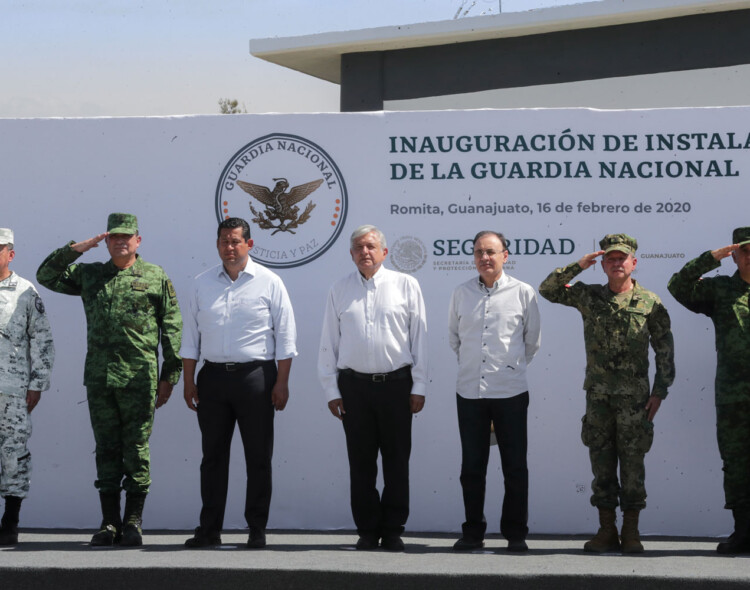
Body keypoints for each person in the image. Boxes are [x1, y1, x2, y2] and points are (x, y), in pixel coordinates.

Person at [36, 213, 182, 547]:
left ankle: (133, 521)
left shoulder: (155, 276)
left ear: (138, 241)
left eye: (126, 236)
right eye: (114, 236)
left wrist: (170, 376)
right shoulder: (91, 275)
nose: (120, 242)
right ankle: (109, 522)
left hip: (140, 378)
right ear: (106, 240)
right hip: (100, 378)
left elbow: (171, 326)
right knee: (106, 450)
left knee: (136, 449)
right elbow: (46, 274)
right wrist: (79, 248)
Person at [539, 234, 674, 553]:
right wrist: (578, 265)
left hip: (635, 400)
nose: (616, 263)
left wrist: (660, 391)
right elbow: (549, 290)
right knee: (601, 464)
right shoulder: (589, 296)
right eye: (610, 259)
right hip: (598, 398)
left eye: (622, 258)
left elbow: (664, 349)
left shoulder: (650, 302)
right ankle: (606, 530)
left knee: (632, 466)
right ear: (602, 264)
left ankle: (631, 532)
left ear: (633, 263)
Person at [181, 217, 297, 549]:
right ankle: (209, 529)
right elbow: (190, 338)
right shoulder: (202, 283)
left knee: (258, 457)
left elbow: (286, 339)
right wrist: (189, 382)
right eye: (223, 242)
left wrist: (282, 383)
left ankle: (257, 528)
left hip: (256, 379)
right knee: (212, 457)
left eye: (235, 241)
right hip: (213, 379)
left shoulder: (270, 282)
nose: (229, 248)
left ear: (249, 244)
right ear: (217, 244)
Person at [318, 225, 427, 551]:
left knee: (397, 463)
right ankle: (367, 530)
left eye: (371, 246)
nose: (365, 252)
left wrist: (419, 384)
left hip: (396, 386)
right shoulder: (339, 289)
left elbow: (420, 338)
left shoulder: (407, 285)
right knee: (361, 464)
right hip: (354, 388)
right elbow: (328, 343)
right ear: (351, 254)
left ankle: (393, 530)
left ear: (384, 252)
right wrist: (331, 390)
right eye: (358, 247)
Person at [448, 231, 541, 553]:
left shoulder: (523, 293)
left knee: (515, 467)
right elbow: (454, 339)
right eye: (478, 252)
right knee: (472, 468)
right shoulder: (461, 293)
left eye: (490, 251)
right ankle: (473, 533)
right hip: (470, 393)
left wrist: (507, 369)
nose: (484, 258)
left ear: (505, 255)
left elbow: (531, 342)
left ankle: (515, 535)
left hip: (510, 392)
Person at [667, 227, 750, 554]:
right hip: (733, 396)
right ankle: (743, 530)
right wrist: (711, 258)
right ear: (735, 254)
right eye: (745, 251)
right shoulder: (720, 290)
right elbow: (678, 285)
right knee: (736, 462)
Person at [0, 228, 55, 546]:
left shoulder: (25, 291)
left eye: (0, 248)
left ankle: (9, 523)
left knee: (12, 455)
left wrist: (38, 384)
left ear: (11, 253)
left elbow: (43, 340)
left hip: (12, 389)